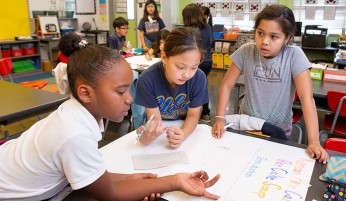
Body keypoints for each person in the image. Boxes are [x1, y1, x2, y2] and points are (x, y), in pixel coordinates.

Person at [0, 43, 221, 200]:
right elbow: (110, 194)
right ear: (86, 93)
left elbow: (86, 174)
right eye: (120, 91)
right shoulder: (74, 134)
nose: (130, 99)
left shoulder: (76, 114)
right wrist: (175, 180)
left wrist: (130, 179)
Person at [211, 4, 329, 164]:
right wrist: (219, 117)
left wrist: (314, 141)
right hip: (248, 126)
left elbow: (306, 98)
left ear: (287, 38)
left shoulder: (294, 56)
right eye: (260, 33)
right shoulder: (246, 51)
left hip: (278, 133)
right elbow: (226, 86)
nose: (264, 41)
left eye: (274, 37)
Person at [135, 27, 209, 148]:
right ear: (164, 57)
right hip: (161, 128)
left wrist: (183, 134)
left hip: (186, 126)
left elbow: (193, 115)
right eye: (180, 67)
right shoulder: (147, 79)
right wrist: (147, 137)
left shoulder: (199, 78)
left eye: (194, 67)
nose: (187, 74)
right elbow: (155, 120)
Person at [182, 3, 213, 123]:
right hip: (208, 61)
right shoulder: (207, 26)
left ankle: (191, 114)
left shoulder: (191, 30)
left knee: (191, 88)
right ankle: (205, 113)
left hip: (196, 62)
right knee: (202, 85)